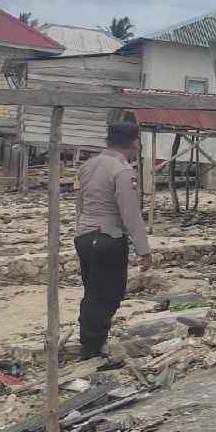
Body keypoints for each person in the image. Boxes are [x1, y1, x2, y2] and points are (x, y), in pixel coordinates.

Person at [72, 122, 153, 360]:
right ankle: (92, 348)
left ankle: (90, 342)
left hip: (84, 236)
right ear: (134, 143)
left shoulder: (86, 166)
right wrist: (143, 250)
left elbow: (79, 204)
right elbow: (130, 214)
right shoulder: (123, 171)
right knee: (107, 294)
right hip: (108, 238)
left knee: (93, 291)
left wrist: (82, 230)